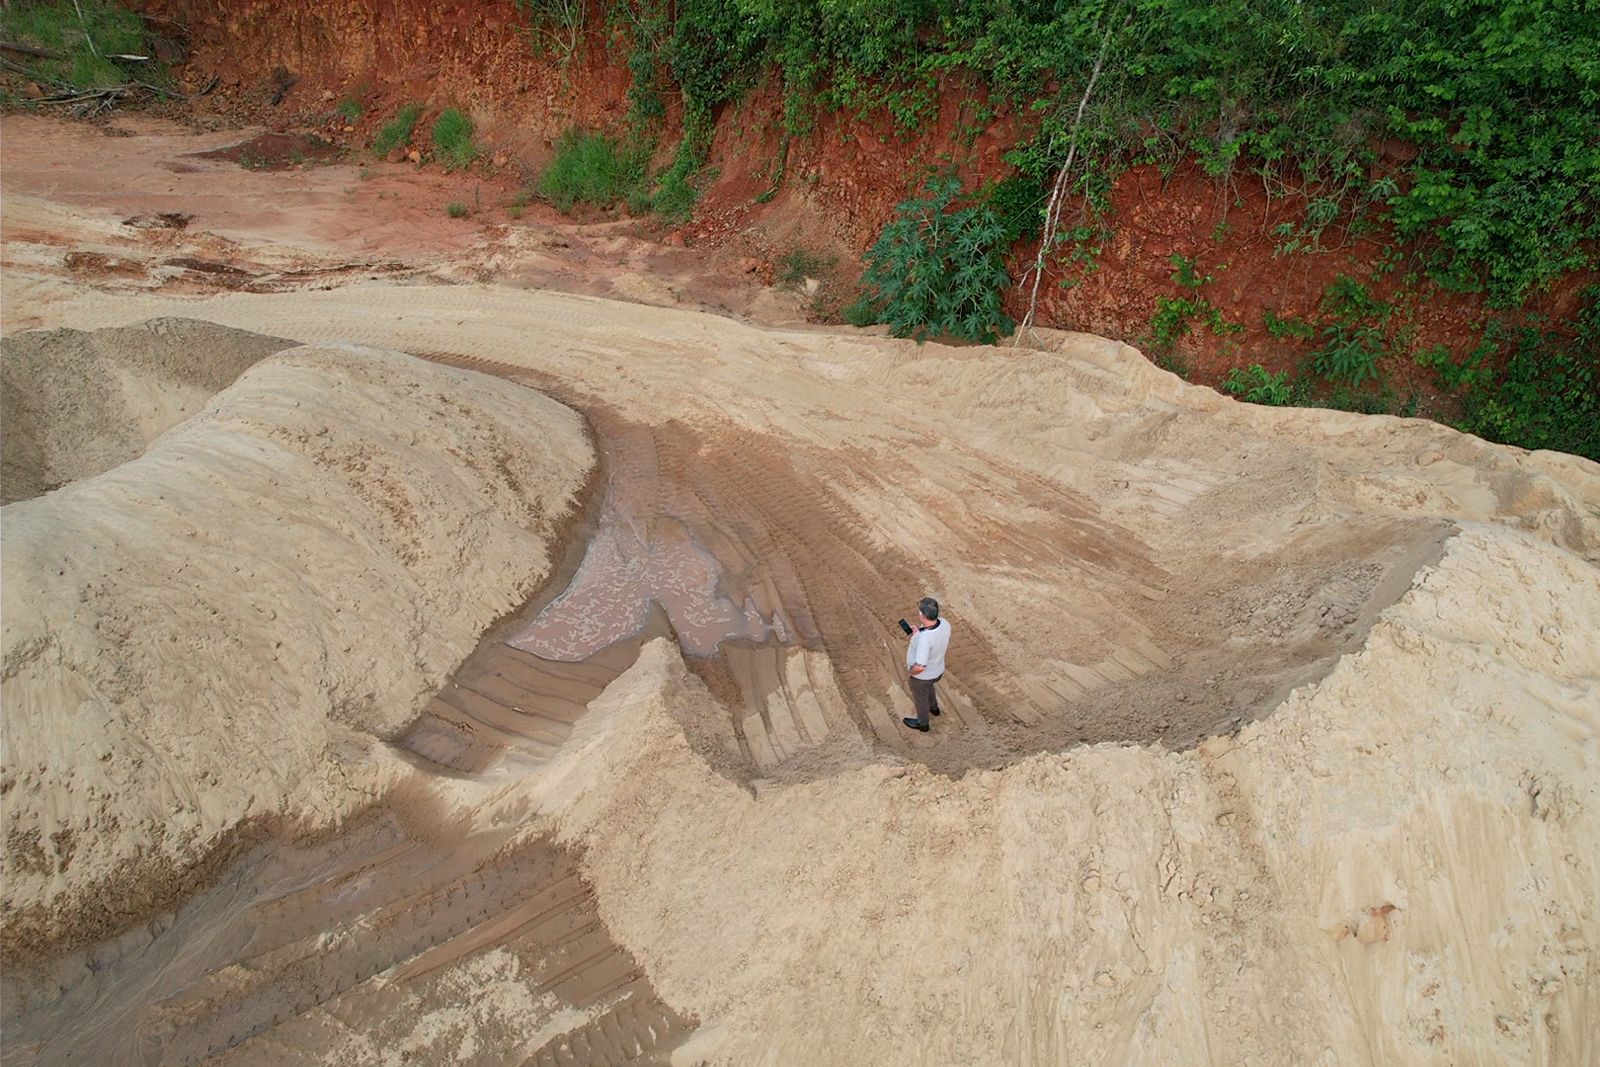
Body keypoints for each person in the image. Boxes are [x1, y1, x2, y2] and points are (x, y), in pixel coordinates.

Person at [902, 596, 951, 732]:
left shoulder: (925, 640)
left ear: (922, 615)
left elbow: (920, 666)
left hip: (923, 677)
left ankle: (923, 724)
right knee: (928, 688)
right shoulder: (945, 624)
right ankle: (934, 708)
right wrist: (918, 632)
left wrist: (911, 672)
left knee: (920, 698)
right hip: (938, 670)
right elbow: (933, 632)